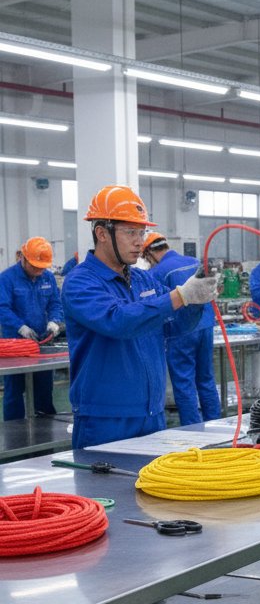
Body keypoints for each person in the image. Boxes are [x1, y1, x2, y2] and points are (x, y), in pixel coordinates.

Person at [61, 185, 217, 450]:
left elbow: (175, 327)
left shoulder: (145, 278)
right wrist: (180, 296)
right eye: (130, 232)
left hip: (152, 416)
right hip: (105, 419)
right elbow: (119, 320)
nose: (139, 241)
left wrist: (194, 302)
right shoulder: (80, 282)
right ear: (102, 233)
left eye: (142, 232)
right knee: (103, 492)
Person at [142, 232, 221, 426]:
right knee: (206, 378)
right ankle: (216, 427)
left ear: (150, 253)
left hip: (180, 332)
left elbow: (155, 306)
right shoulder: (194, 261)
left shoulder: (157, 272)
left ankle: (194, 433)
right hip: (206, 326)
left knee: (184, 383)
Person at [0, 237, 63, 419]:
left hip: (41, 343)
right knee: (14, 391)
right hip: (15, 345)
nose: (38, 271)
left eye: (42, 267)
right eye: (35, 266)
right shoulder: (7, 278)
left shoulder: (48, 277)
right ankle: (15, 436)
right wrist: (21, 327)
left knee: (44, 389)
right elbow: (2, 307)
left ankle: (45, 431)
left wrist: (54, 321)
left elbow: (55, 303)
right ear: (23, 258)